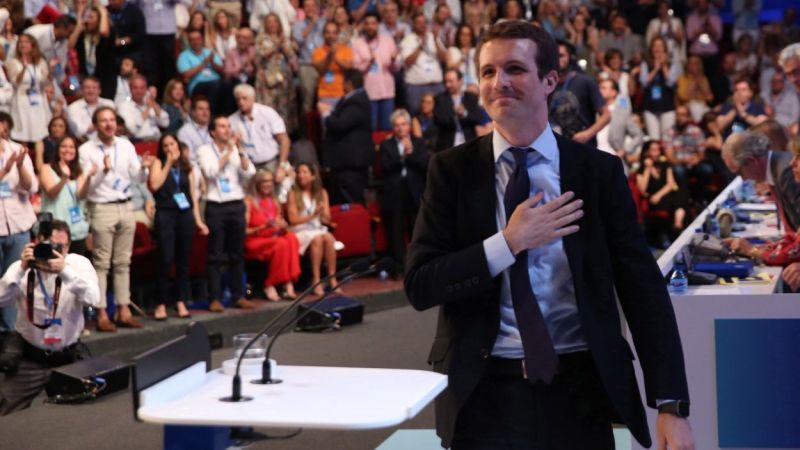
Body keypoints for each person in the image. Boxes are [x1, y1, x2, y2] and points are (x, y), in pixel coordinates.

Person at [404, 21, 694, 450]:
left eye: (514, 69)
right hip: (483, 391)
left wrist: (671, 405)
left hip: (579, 388)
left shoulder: (597, 172)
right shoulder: (451, 171)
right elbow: (421, 284)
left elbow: (642, 290)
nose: (498, 82)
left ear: (550, 81)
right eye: (487, 71)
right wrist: (508, 243)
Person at [0, 219, 101, 415]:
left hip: (68, 356)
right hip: (30, 357)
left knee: (83, 416)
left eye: (59, 247)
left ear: (68, 246)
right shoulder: (21, 267)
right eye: (48, 246)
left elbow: (94, 300)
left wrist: (65, 272)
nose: (53, 252)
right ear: (37, 242)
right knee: (5, 412)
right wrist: (21, 268)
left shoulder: (78, 265)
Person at [79, 106, 154, 332]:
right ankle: (102, 313)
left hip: (126, 206)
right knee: (102, 264)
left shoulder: (126, 145)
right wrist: (102, 171)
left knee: (123, 262)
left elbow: (137, 177)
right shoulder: (86, 150)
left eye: (112, 119)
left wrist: (144, 168)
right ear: (96, 124)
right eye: (103, 121)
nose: (109, 124)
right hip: (102, 208)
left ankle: (123, 310)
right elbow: (86, 187)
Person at [196, 115, 257, 312]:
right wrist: (229, 150)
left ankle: (238, 295)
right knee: (216, 254)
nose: (227, 129)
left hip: (236, 204)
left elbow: (250, 172)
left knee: (237, 253)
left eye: (228, 126)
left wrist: (239, 151)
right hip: (216, 206)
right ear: (213, 132)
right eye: (222, 126)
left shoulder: (236, 151)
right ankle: (215, 297)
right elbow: (211, 172)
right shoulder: (204, 151)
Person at [148, 133, 208, 321]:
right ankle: (161, 302)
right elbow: (155, 185)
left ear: (178, 146)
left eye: (172, 144)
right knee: (165, 258)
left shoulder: (186, 167)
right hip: (165, 215)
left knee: (183, 259)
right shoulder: (158, 163)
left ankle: (181, 300)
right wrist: (167, 163)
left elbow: (192, 197)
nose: (169, 148)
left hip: (184, 215)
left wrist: (198, 221)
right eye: (165, 146)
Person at [0, 113, 37, 332]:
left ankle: (13, 334)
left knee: (15, 281)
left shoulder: (17, 150)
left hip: (19, 224)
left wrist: (21, 165)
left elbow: (30, 187)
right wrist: (6, 169)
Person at [379, 109, 427, 277]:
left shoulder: (419, 143)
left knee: (418, 231)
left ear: (409, 126)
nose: (400, 128)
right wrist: (401, 157)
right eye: (397, 125)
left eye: (404, 124)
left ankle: (419, 266)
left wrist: (411, 153)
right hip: (395, 193)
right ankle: (400, 268)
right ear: (393, 127)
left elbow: (424, 165)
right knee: (396, 232)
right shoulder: (387, 145)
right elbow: (385, 167)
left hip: (415, 192)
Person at [722, 131, 800, 234]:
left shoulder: (785, 172)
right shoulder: (776, 168)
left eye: (740, 173)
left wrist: (754, 250)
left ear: (752, 161)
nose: (744, 179)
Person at [244, 170, 300, 301]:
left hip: (272, 237)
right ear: (257, 183)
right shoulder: (249, 201)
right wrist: (264, 227)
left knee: (291, 238)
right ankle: (270, 284)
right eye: (264, 181)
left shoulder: (274, 201)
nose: (268, 184)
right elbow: (243, 231)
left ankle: (288, 283)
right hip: (255, 240)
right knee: (281, 244)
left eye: (270, 181)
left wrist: (283, 226)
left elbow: (279, 222)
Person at [320, 69, 373, 205]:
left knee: (352, 200)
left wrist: (326, 114)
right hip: (344, 163)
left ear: (349, 83)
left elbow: (340, 125)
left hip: (351, 164)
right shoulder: (350, 99)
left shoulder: (357, 102)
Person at [287, 162, 338, 296]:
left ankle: (332, 279)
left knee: (328, 238)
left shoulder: (322, 193)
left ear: (313, 176)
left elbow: (327, 219)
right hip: (300, 230)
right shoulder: (293, 194)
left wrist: (322, 213)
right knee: (318, 239)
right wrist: (312, 215)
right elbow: (292, 220)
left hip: (317, 228)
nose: (300, 175)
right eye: (299, 172)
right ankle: (316, 280)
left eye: (304, 172)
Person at [39, 136, 92, 257]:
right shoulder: (47, 168)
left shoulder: (79, 171)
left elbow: (81, 195)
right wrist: (63, 178)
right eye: (64, 146)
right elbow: (51, 194)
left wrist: (88, 178)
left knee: (75, 268)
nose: (68, 149)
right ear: (57, 149)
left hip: (76, 229)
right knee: (52, 268)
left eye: (71, 147)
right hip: (53, 229)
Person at [550, 40, 609, 146]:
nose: (557, 59)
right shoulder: (548, 84)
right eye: (554, 56)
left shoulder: (585, 82)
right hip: (558, 147)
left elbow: (606, 115)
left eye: (561, 55)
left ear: (570, 57)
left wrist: (588, 133)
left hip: (585, 146)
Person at [228, 84, 292, 175]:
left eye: (244, 98)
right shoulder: (232, 120)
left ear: (253, 98)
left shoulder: (268, 113)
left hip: (272, 162)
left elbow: (284, 140)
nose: (241, 102)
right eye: (238, 99)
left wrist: (282, 166)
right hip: (249, 166)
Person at [352, 12, 398, 132]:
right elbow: (356, 69)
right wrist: (368, 61)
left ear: (378, 24)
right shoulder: (357, 43)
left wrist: (393, 61)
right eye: (367, 24)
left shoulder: (388, 41)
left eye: (373, 23)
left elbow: (396, 68)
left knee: (387, 129)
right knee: (369, 129)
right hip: (369, 93)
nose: (370, 27)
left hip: (387, 92)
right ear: (363, 25)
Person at [254, 14, 299, 134]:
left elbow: (293, 59)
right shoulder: (261, 39)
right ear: (265, 24)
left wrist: (287, 48)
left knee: (284, 108)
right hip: (267, 79)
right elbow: (259, 58)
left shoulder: (285, 39)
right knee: (269, 109)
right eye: (269, 21)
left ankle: (285, 136)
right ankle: (269, 135)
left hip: (284, 78)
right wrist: (276, 46)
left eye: (275, 21)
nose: (272, 24)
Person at [7, 33, 51, 146]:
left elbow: (45, 81)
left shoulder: (40, 62)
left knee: (39, 130)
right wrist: (24, 68)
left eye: (26, 42)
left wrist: (51, 70)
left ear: (32, 45)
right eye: (20, 42)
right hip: (22, 99)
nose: (23, 44)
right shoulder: (13, 62)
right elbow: (15, 82)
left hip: (38, 98)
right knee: (25, 130)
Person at [399, 13, 447, 115]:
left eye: (424, 22)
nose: (422, 25)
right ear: (413, 24)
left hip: (436, 85)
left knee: (441, 114)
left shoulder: (433, 37)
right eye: (419, 22)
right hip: (416, 87)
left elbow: (445, 58)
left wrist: (435, 40)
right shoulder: (408, 39)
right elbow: (407, 61)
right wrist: (420, 45)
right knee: (417, 115)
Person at [634, 36, 681, 141]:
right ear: (651, 48)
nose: (657, 48)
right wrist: (655, 68)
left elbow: (671, 82)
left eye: (660, 46)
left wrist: (663, 65)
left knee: (667, 139)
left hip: (667, 107)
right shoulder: (645, 64)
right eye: (655, 46)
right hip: (650, 107)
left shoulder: (672, 64)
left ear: (665, 48)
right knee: (654, 138)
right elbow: (644, 82)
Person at [637, 140, 689, 232]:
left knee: (681, 191)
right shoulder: (641, 170)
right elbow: (642, 190)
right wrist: (648, 169)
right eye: (653, 150)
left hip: (665, 195)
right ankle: (678, 226)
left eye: (658, 150)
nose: (657, 153)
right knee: (678, 201)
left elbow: (671, 183)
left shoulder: (665, 165)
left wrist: (659, 195)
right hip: (654, 200)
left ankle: (678, 224)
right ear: (646, 152)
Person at [177, 29, 225, 114]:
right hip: (198, 85)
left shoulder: (210, 52)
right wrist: (204, 63)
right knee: (213, 86)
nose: (196, 42)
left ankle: (226, 116)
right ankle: (211, 116)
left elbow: (223, 71)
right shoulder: (184, 55)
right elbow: (186, 75)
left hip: (217, 81)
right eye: (193, 40)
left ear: (202, 40)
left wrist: (213, 63)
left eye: (198, 39)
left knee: (228, 85)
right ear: (189, 41)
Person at [433, 68, 481, 152]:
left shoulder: (470, 97)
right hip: (447, 145)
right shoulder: (440, 98)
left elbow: (478, 118)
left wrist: (464, 113)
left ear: (460, 81)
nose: (447, 85)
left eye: (451, 81)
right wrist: (455, 114)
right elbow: (438, 120)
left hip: (468, 143)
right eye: (446, 81)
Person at [312, 21, 353, 113]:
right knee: (327, 125)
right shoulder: (317, 51)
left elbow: (349, 67)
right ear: (323, 34)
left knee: (342, 126)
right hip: (324, 95)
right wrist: (329, 55)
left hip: (342, 94)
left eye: (334, 33)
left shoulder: (346, 49)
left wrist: (335, 56)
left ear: (338, 34)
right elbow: (320, 69)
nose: (331, 36)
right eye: (328, 32)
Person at [117, 75, 170, 142]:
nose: (139, 91)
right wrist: (148, 108)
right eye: (135, 88)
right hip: (140, 142)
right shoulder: (124, 106)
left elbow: (165, 123)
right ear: (130, 89)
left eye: (142, 88)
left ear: (146, 89)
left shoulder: (150, 103)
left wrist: (153, 102)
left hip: (158, 140)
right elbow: (133, 129)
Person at [66, 76, 116, 141]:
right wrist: (99, 125)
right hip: (84, 142)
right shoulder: (73, 107)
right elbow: (78, 131)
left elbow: (115, 126)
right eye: (87, 87)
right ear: (82, 90)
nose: (91, 90)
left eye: (94, 88)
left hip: (109, 139)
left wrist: (93, 127)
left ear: (99, 90)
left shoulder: (109, 104)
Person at [676, 55, 713, 123]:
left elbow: (710, 98)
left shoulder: (703, 79)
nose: (693, 66)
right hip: (688, 105)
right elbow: (683, 97)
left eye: (696, 63)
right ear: (687, 65)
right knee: (696, 108)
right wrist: (694, 82)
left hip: (703, 105)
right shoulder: (682, 78)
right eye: (691, 63)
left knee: (711, 115)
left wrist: (699, 83)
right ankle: (697, 127)